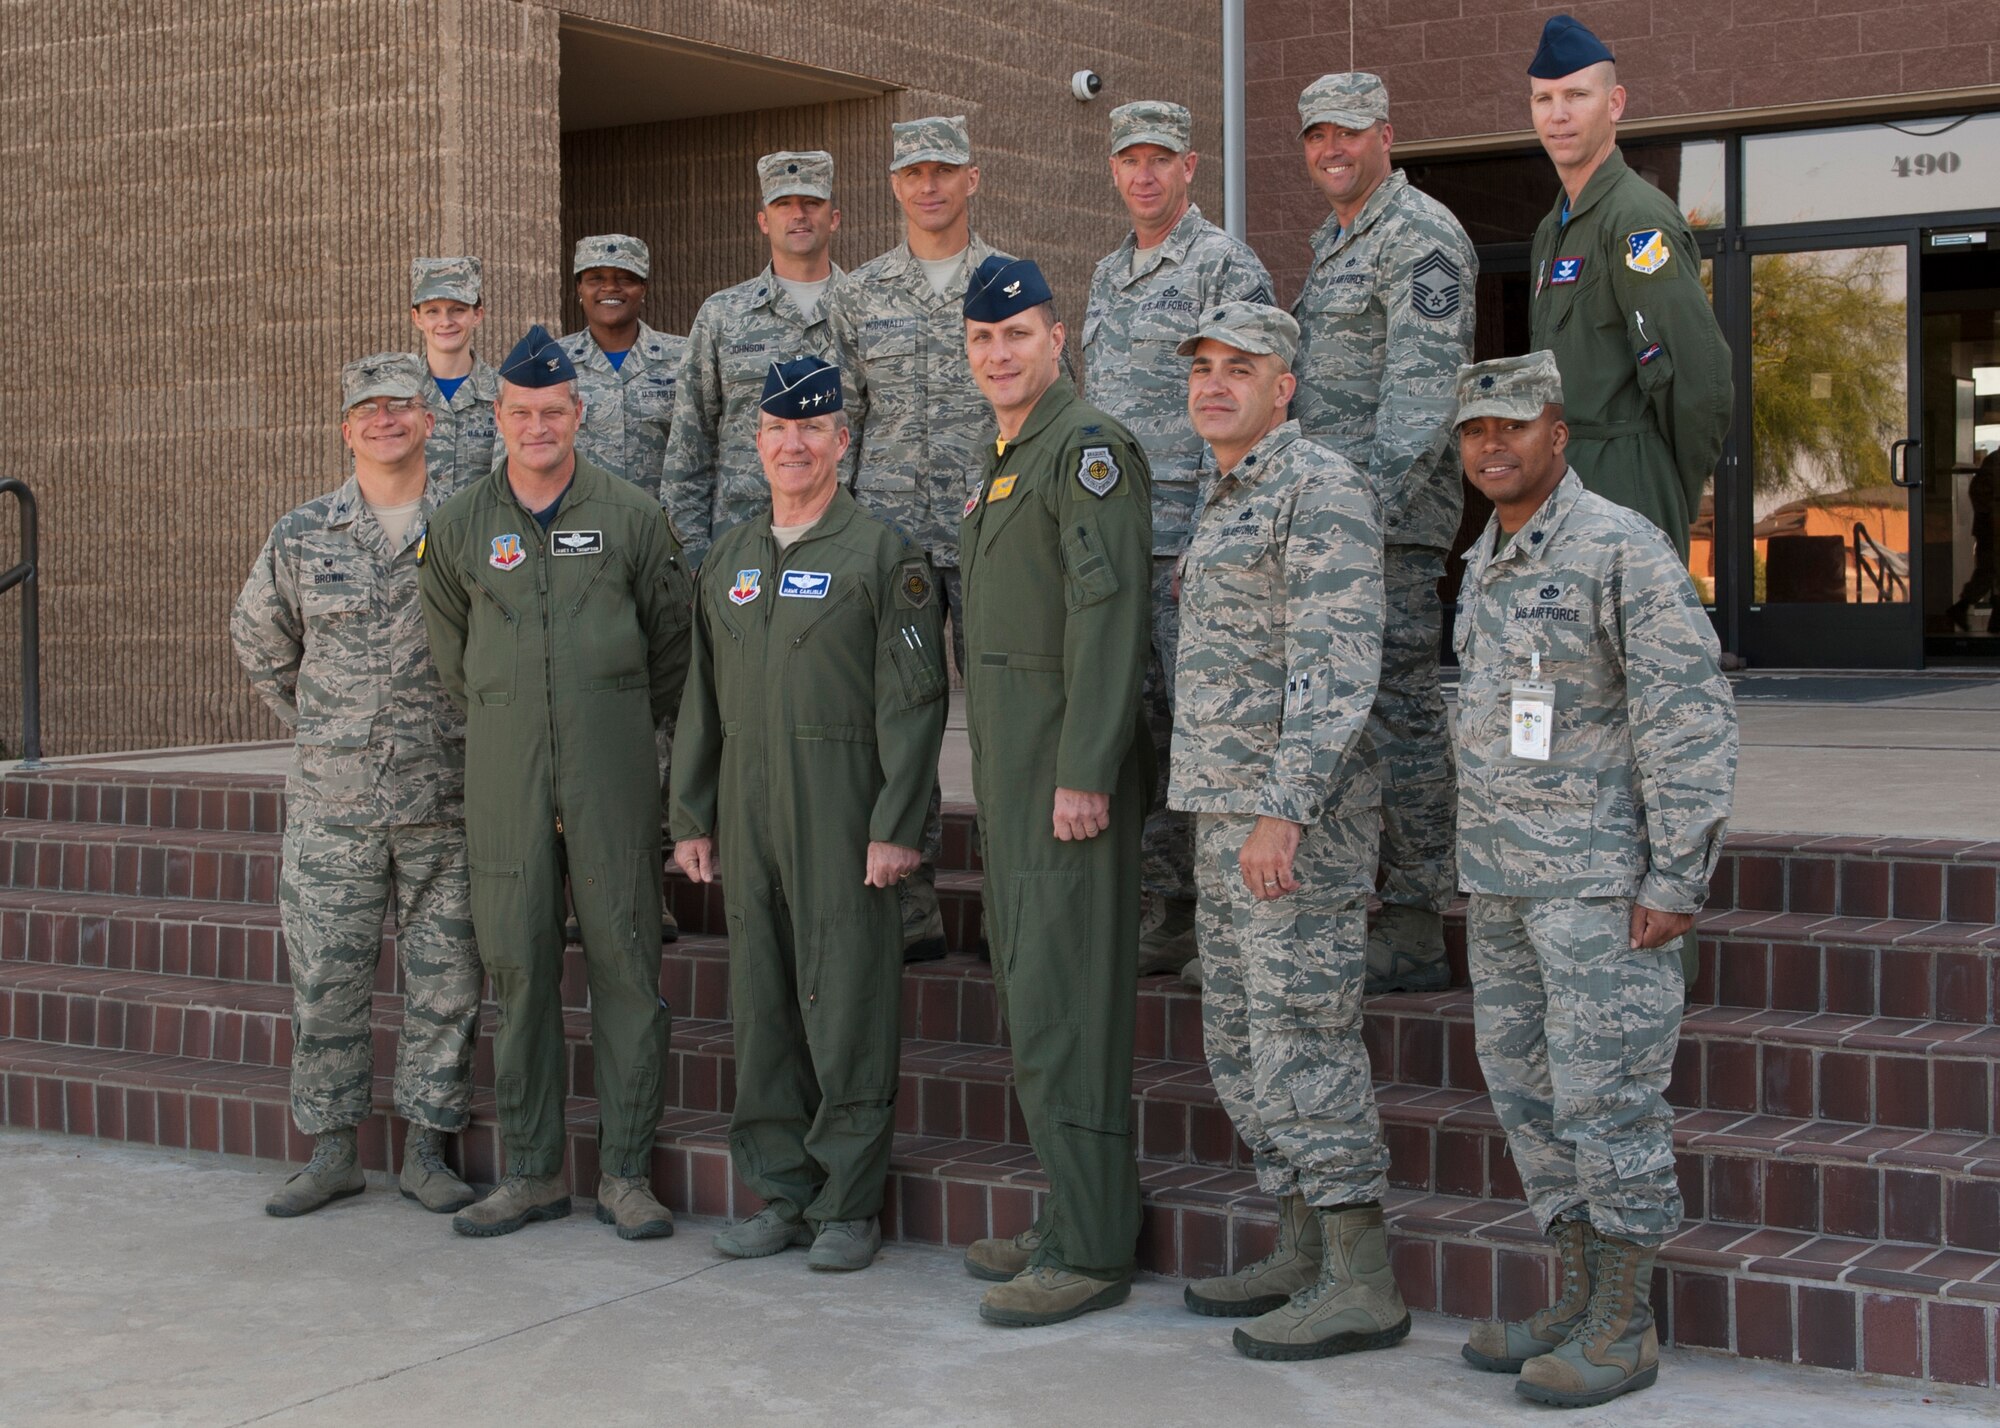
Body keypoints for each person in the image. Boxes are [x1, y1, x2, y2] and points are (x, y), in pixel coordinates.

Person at [1448, 351, 1737, 1408]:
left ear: (1556, 434)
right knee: (1527, 1099)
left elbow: (1686, 717)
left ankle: (1624, 1323)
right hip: (1504, 886)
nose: (1491, 445)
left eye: (1511, 426)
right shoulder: (1486, 558)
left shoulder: (1619, 548)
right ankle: (1573, 1297)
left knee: (1607, 1101)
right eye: (1474, 429)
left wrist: (1674, 877)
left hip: (1597, 890)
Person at [1167, 301, 1406, 1361]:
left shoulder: (1320, 489)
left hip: (1289, 827)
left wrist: (1282, 811)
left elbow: (1335, 665)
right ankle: (1300, 1241)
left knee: (1303, 1036)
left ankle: (1362, 1277)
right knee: (1242, 1041)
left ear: (1284, 387)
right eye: (1201, 368)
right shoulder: (1224, 498)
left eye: (1238, 368)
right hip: (1221, 814)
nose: (1213, 384)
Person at [672, 357, 947, 1273]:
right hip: (748, 815)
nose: (794, 444)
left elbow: (913, 701)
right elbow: (703, 699)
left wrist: (898, 821)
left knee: (847, 1008)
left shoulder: (882, 557)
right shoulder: (732, 558)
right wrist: (692, 814)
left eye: (812, 428)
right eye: (778, 430)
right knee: (762, 1006)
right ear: (758, 444)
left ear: (841, 441)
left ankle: (847, 1204)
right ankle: (781, 1192)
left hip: (842, 814)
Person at [418, 325, 694, 1241]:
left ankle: (625, 1174)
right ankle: (532, 1172)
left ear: (579, 413)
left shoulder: (631, 516)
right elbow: (454, 659)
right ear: (498, 417)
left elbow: (670, 647)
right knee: (519, 971)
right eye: (521, 411)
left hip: (610, 771)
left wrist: (597, 712)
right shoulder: (458, 526)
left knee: (624, 962)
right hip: (505, 775)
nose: (538, 426)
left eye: (554, 410)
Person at [231, 352, 481, 1219]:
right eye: (366, 408)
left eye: (401, 406)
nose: (384, 420)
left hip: (447, 800)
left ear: (429, 419)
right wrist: (326, 719)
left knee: (446, 981)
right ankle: (332, 1151)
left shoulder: (468, 524)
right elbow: (260, 639)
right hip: (334, 806)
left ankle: (426, 1150)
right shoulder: (304, 532)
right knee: (327, 980)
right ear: (346, 428)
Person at [954, 256, 1153, 1327]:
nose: (999, 353)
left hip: (1062, 783)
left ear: (1057, 337)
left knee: (1068, 1005)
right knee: (1036, 995)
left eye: (1016, 335)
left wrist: (1084, 766)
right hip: (1015, 771)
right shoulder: (1006, 456)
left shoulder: (1083, 452)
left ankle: (1086, 1249)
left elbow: (1106, 615)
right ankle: (1082, 1207)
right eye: (983, 340)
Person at [1289, 72, 1477, 996]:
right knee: (1351, 716)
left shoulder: (1421, 235)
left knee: (1400, 714)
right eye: (1318, 135)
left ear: (1386, 135)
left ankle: (1414, 922)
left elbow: (1425, 393)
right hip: (1336, 528)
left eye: (1350, 133)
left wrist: (1362, 516)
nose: (1334, 149)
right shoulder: (1333, 241)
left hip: (1387, 530)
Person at [1082, 99, 1272, 979]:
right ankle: (1169, 906)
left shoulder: (1224, 266)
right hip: (1120, 548)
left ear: (1190, 166)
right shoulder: (1105, 276)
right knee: (1144, 729)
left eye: (1161, 158)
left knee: (1210, 732)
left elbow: (1246, 411)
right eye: (1131, 160)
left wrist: (1212, 542)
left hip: (1195, 550)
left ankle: (1222, 913)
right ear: (1114, 169)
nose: (1145, 174)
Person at [827, 115, 1010, 964]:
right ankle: (910, 897)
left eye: (944, 170)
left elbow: (1041, 411)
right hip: (891, 539)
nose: (928, 186)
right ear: (895, 186)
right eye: (912, 173)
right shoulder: (857, 295)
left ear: (974, 178)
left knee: (1010, 714)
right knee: (896, 716)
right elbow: (841, 422)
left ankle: (1014, 896)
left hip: (990, 534)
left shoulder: (1010, 285)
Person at [1526, 14, 1732, 560]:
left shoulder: (1636, 218)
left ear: (1614, 103)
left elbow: (1699, 380)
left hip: (1626, 486)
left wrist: (1669, 485)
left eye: (1576, 95)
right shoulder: (1554, 230)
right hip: (1563, 487)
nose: (1559, 115)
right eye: (1544, 100)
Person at [662, 151, 848, 568]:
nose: (798, 215)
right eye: (783, 204)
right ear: (763, 220)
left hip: (844, 541)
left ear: (833, 217)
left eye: (811, 203)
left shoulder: (866, 311)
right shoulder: (722, 316)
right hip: (740, 542)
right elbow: (689, 447)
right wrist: (692, 561)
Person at [559, 234, 686, 501]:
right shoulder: (553, 363)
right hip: (577, 531)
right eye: (596, 279)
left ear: (643, 288)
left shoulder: (685, 358)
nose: (610, 288)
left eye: (624, 278)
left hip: (663, 532)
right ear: (579, 288)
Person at [408, 257, 504, 496]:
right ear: (417, 318)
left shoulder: (504, 393)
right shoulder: (398, 396)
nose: (446, 322)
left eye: (458, 310)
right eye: (433, 311)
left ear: (477, 315)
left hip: (479, 530)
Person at [1946, 447, 1996, 633]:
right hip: (1991, 530)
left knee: (1990, 571)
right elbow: (1981, 495)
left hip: (1991, 528)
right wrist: (1992, 516)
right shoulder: (1995, 462)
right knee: (1989, 570)